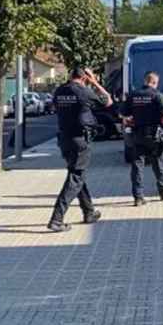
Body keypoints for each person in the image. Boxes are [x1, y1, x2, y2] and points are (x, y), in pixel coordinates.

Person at [47, 67, 113, 233]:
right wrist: (95, 82)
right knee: (76, 178)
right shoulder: (83, 91)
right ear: (84, 78)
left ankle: (89, 212)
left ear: (71, 76)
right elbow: (108, 101)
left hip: (64, 139)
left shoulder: (59, 91)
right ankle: (57, 219)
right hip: (79, 140)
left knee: (77, 175)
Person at [122, 71, 163, 206]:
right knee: (157, 162)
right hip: (154, 135)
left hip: (137, 134)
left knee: (137, 165)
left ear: (145, 81)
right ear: (155, 82)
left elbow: (124, 114)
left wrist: (132, 120)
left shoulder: (133, 95)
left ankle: (138, 197)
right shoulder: (157, 95)